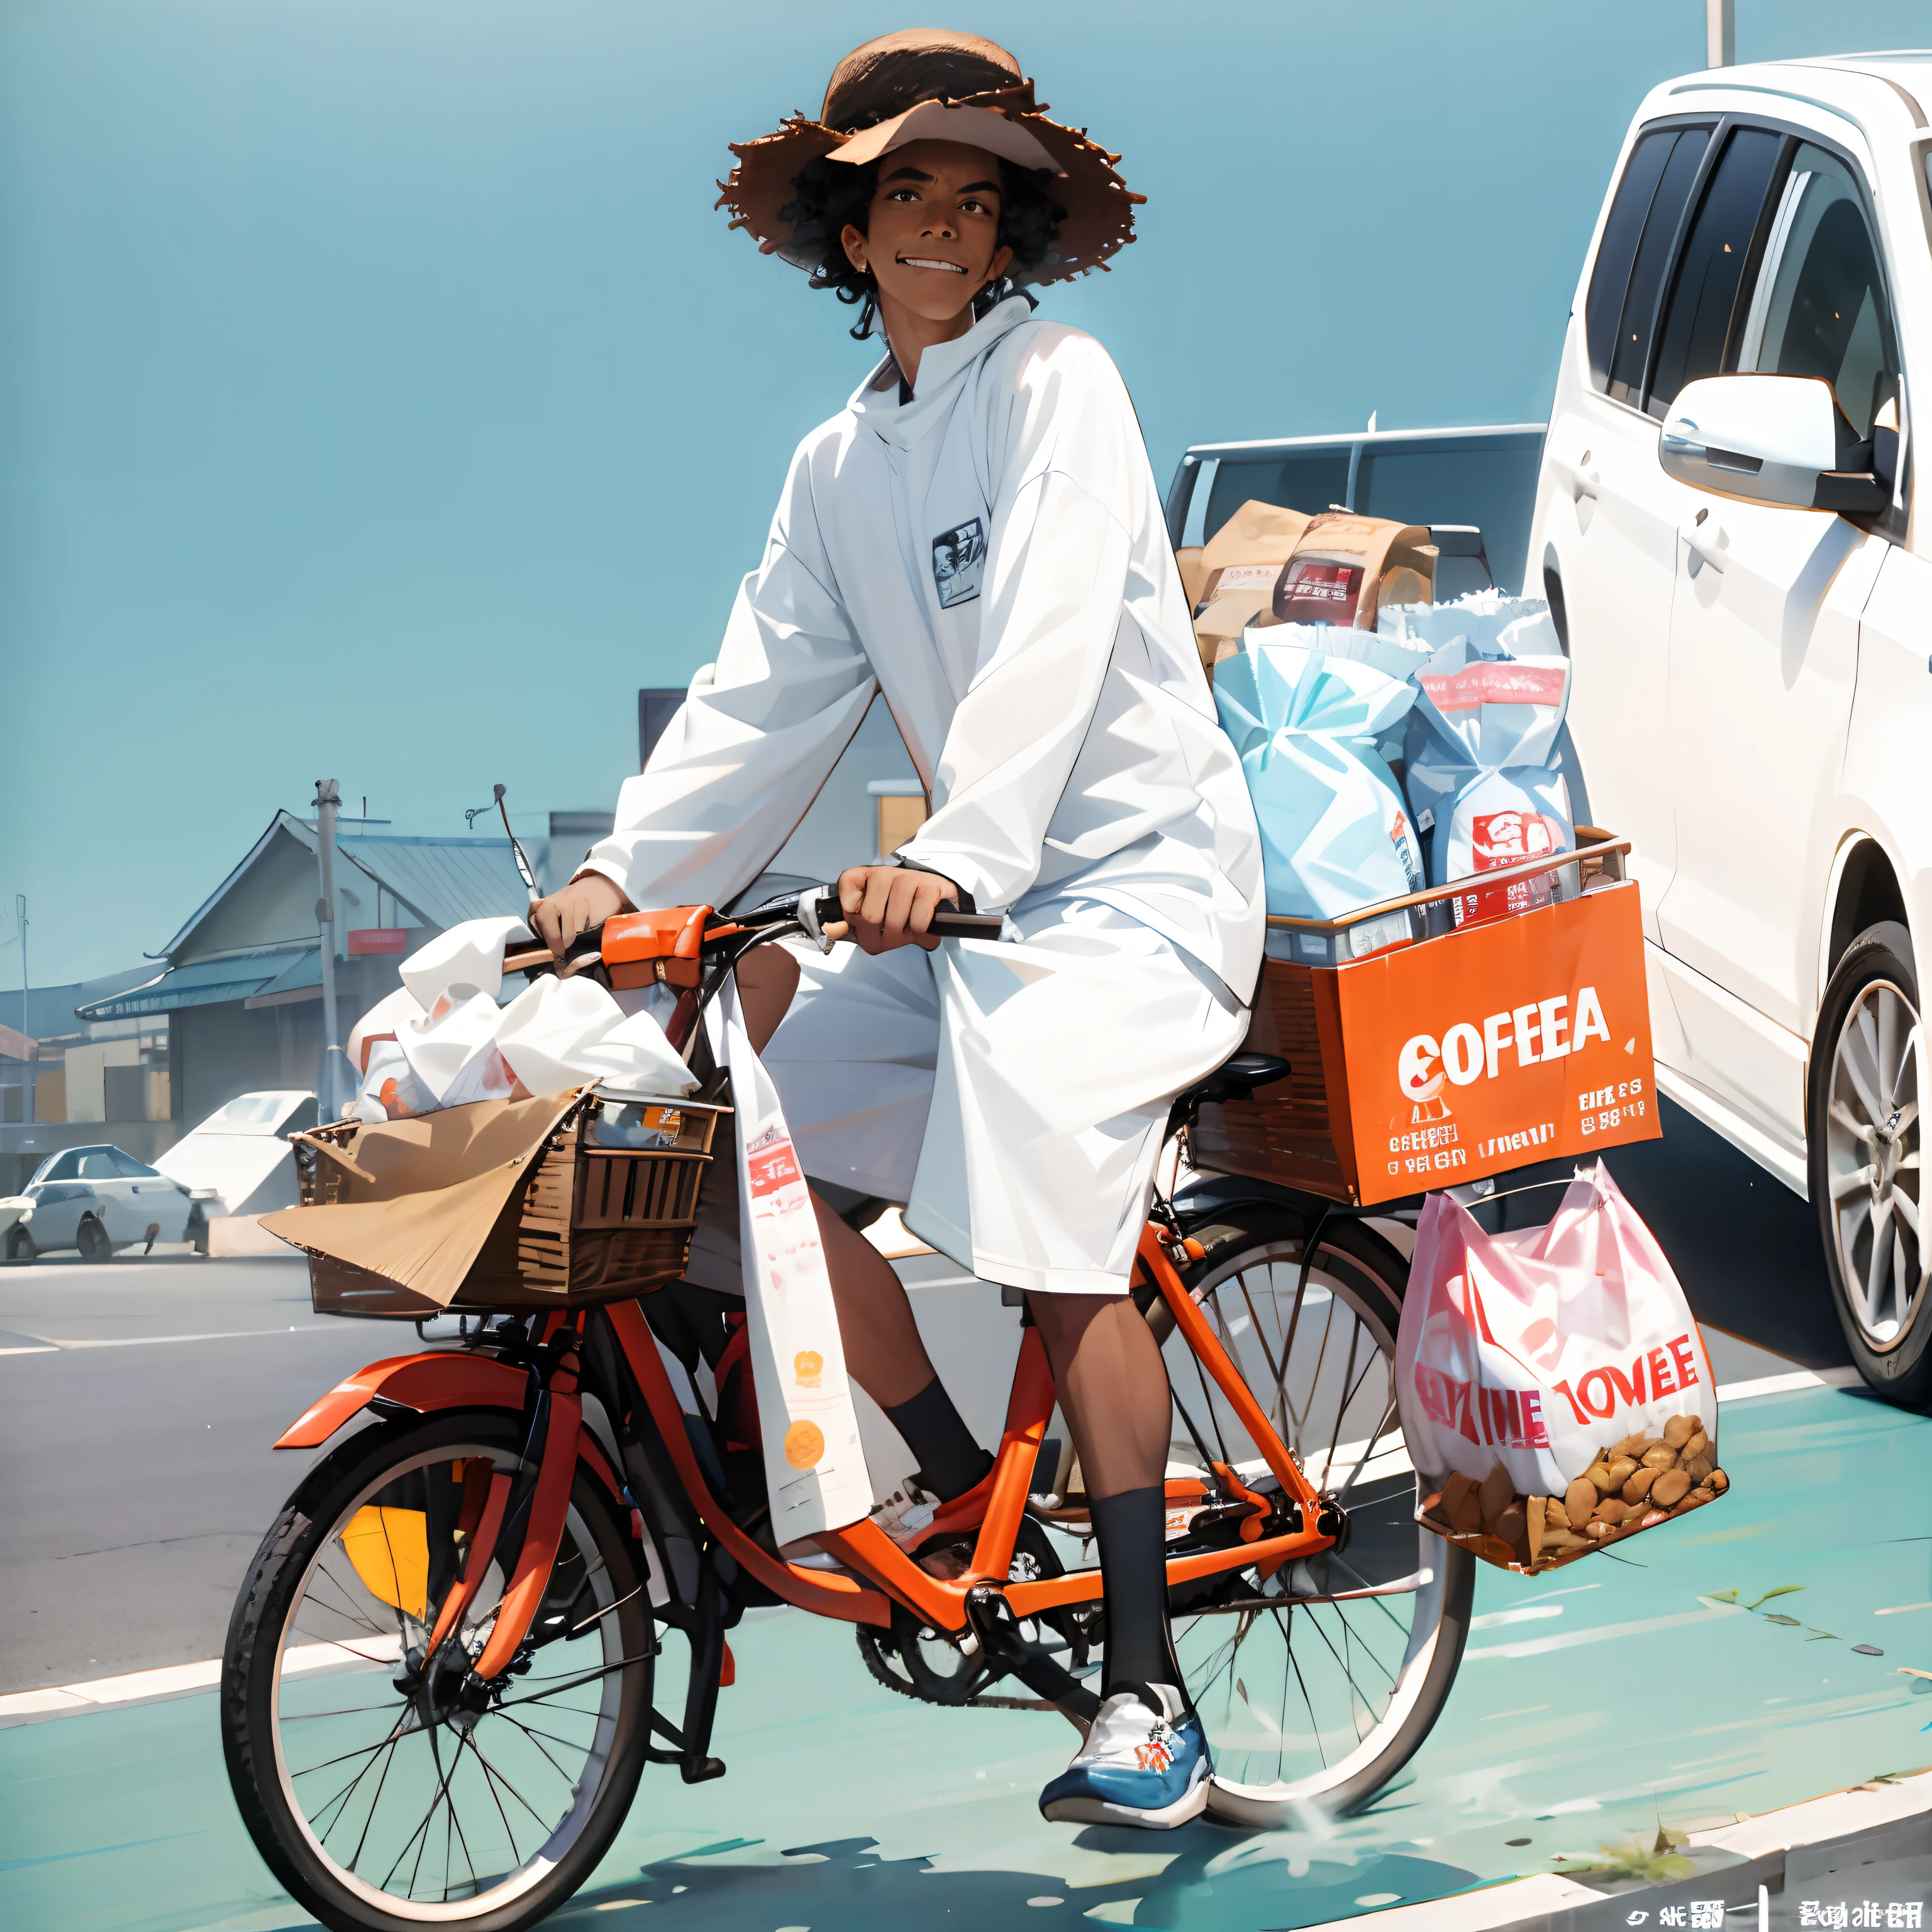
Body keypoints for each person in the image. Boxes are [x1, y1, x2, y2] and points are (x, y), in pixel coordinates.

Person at [531, 29, 1262, 1830]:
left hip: (1132, 891)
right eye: (905, 194)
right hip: (971, 908)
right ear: (849, 234)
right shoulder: (838, 466)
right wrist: (624, 877)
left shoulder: (1059, 386)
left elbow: (1055, 630)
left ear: (1011, 236)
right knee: (712, 1137)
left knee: (1048, 1187)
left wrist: (960, 846)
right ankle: (955, 1488)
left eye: (975, 198)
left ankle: (1151, 1701)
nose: (942, 224)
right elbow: (761, 692)